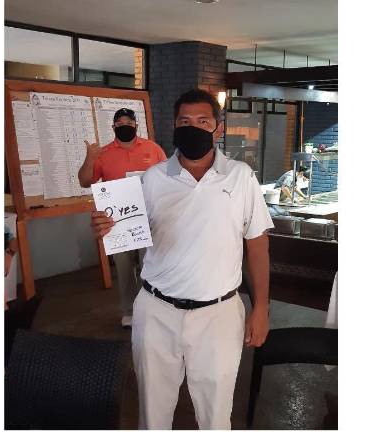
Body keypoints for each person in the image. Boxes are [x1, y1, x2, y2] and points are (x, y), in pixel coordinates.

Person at [91, 89, 273, 429]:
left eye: (203, 121)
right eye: (184, 121)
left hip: (219, 314)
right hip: (156, 311)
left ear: (218, 128)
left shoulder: (241, 176)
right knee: (153, 412)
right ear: (174, 126)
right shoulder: (152, 178)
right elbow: (127, 227)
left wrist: (261, 307)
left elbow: (258, 244)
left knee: (216, 415)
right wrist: (108, 226)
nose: (193, 128)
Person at [78, 108, 166, 329]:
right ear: (113, 127)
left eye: (129, 122)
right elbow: (85, 181)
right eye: (119, 123)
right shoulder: (104, 153)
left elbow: (167, 176)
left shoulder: (153, 149)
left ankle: (151, 308)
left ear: (136, 125)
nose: (124, 125)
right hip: (116, 223)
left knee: (150, 265)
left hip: (148, 218)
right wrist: (90, 158)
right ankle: (129, 310)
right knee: (124, 268)